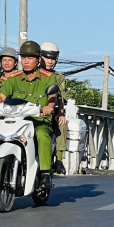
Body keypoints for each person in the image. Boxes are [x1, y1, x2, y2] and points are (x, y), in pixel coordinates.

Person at [0, 40, 58, 186]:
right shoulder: (14, 78)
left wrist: (49, 107)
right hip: (18, 120)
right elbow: (2, 95)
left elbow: (52, 96)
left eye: (30, 58)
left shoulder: (48, 77)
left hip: (39, 120)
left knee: (42, 135)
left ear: (38, 60)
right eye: (23, 57)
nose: (26, 61)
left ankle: (45, 173)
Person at [40, 41, 68, 174]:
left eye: (53, 58)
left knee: (62, 124)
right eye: (47, 58)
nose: (50, 61)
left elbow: (61, 97)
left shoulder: (58, 77)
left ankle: (59, 159)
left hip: (50, 110)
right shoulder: (33, 73)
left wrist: (61, 113)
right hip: (31, 109)